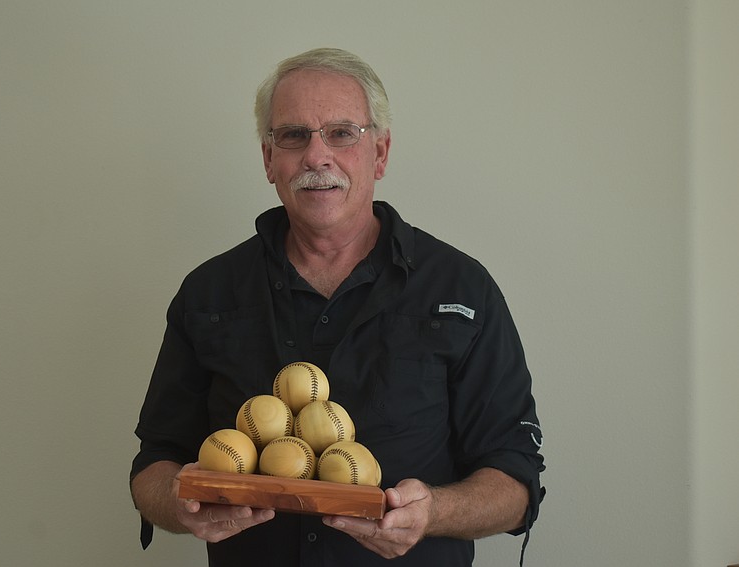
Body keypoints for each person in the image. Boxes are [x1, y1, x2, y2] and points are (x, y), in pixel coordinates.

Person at [130, 47, 545, 566]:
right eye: (293, 135)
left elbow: (515, 478)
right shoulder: (208, 292)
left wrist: (433, 512)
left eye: (343, 133)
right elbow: (154, 463)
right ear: (268, 159)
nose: (316, 155)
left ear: (381, 153)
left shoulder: (463, 290)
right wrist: (180, 502)